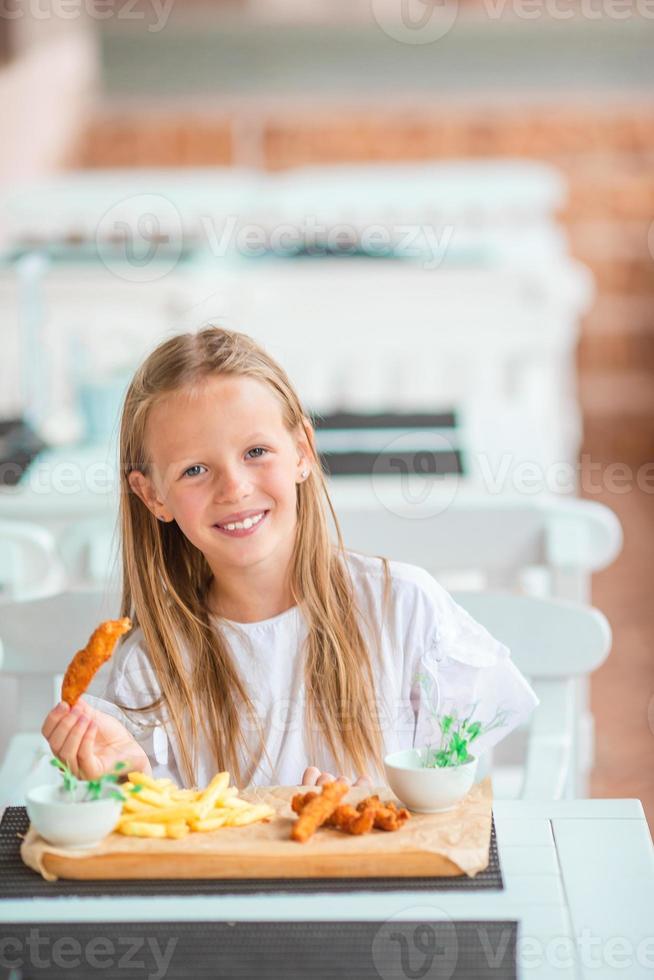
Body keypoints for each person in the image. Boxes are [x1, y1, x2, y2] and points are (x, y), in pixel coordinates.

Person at [41, 327, 539, 790]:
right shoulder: (151, 667)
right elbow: (160, 832)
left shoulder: (403, 609)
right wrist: (125, 781)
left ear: (302, 451)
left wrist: (374, 809)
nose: (234, 487)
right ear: (153, 497)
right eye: (194, 469)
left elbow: (452, 793)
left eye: (256, 451)